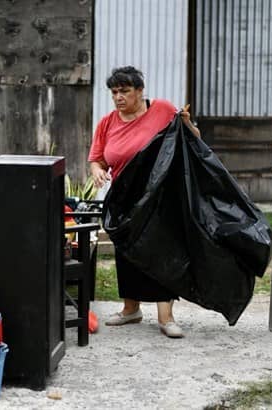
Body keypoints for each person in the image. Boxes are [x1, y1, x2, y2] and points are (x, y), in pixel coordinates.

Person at [88, 66, 201, 338]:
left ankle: (166, 317)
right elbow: (97, 158)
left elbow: (195, 141)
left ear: (140, 91)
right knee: (127, 254)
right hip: (124, 199)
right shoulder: (107, 123)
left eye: (125, 91)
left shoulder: (162, 110)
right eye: (114, 92)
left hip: (160, 197)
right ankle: (131, 309)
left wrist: (186, 122)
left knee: (162, 252)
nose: (118, 97)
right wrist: (97, 170)